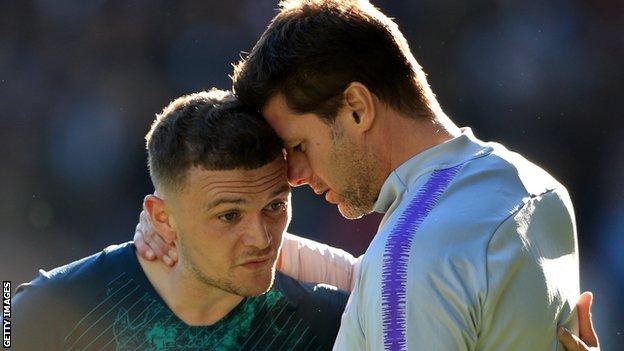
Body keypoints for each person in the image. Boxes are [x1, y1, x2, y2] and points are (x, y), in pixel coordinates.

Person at [136, 1, 602, 349]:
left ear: (356, 109)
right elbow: (388, 282)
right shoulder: (535, 186)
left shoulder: (414, 250)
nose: (293, 174)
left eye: (299, 146)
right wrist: (192, 232)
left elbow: (406, 273)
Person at [10, 89, 349, 350]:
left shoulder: (331, 323)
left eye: (274, 207)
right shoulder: (42, 310)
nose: (261, 239)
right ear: (161, 217)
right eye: (229, 215)